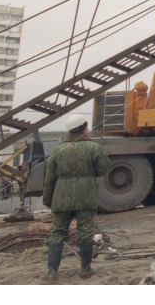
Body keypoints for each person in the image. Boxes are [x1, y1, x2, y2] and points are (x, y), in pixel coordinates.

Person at [41, 113, 111, 282]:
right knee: (85, 231)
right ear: (84, 127)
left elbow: (49, 178)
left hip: (62, 197)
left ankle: (52, 272)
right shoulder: (93, 147)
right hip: (85, 196)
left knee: (57, 232)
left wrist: (47, 199)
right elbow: (103, 168)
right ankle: (86, 269)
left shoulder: (58, 150)